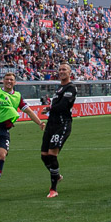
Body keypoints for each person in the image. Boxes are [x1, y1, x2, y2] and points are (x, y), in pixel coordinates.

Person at [0, 72, 44, 196]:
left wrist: (39, 122)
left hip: (3, 131)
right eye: (7, 79)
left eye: (11, 80)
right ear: (3, 81)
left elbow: (28, 111)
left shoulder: (17, 96)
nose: (9, 81)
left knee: (1, 156)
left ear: (15, 82)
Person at [41, 62, 77, 198]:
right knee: (44, 156)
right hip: (51, 124)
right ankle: (57, 176)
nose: (61, 71)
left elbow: (63, 106)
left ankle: (53, 189)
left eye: (64, 69)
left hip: (62, 124)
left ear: (69, 73)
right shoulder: (59, 89)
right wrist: (49, 108)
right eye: (60, 69)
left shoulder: (71, 88)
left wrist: (49, 108)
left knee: (52, 154)